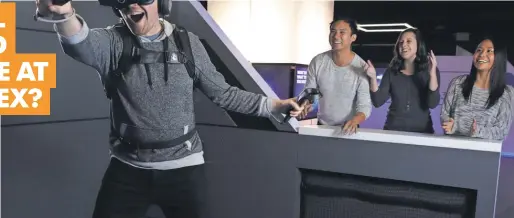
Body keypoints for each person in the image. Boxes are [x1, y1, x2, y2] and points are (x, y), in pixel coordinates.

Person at [33, 0, 303, 217]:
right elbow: (81, 44)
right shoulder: (114, 42)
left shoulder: (187, 44)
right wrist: (64, 15)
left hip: (183, 170)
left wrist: (273, 105)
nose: (133, 7)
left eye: (142, 0)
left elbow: (224, 94)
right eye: (125, 4)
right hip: (128, 169)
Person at [300, 17, 372, 135]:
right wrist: (306, 104)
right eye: (333, 31)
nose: (336, 36)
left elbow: (364, 107)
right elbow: (310, 93)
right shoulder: (318, 62)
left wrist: (355, 120)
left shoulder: (361, 67)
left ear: (353, 38)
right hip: (322, 128)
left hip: (348, 129)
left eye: (342, 32)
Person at [366, 28, 441, 133]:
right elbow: (377, 101)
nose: (403, 45)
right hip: (393, 131)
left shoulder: (430, 70)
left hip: (422, 133)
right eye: (401, 42)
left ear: (418, 45)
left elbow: (432, 103)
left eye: (409, 41)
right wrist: (373, 78)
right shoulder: (391, 71)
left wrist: (432, 75)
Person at [441, 37, 514, 140]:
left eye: (489, 51)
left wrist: (477, 131)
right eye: (479, 50)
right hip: (453, 149)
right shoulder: (457, 83)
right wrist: (448, 124)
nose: (482, 54)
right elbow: (445, 114)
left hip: (485, 154)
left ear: (499, 56)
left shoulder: (506, 93)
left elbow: (502, 131)